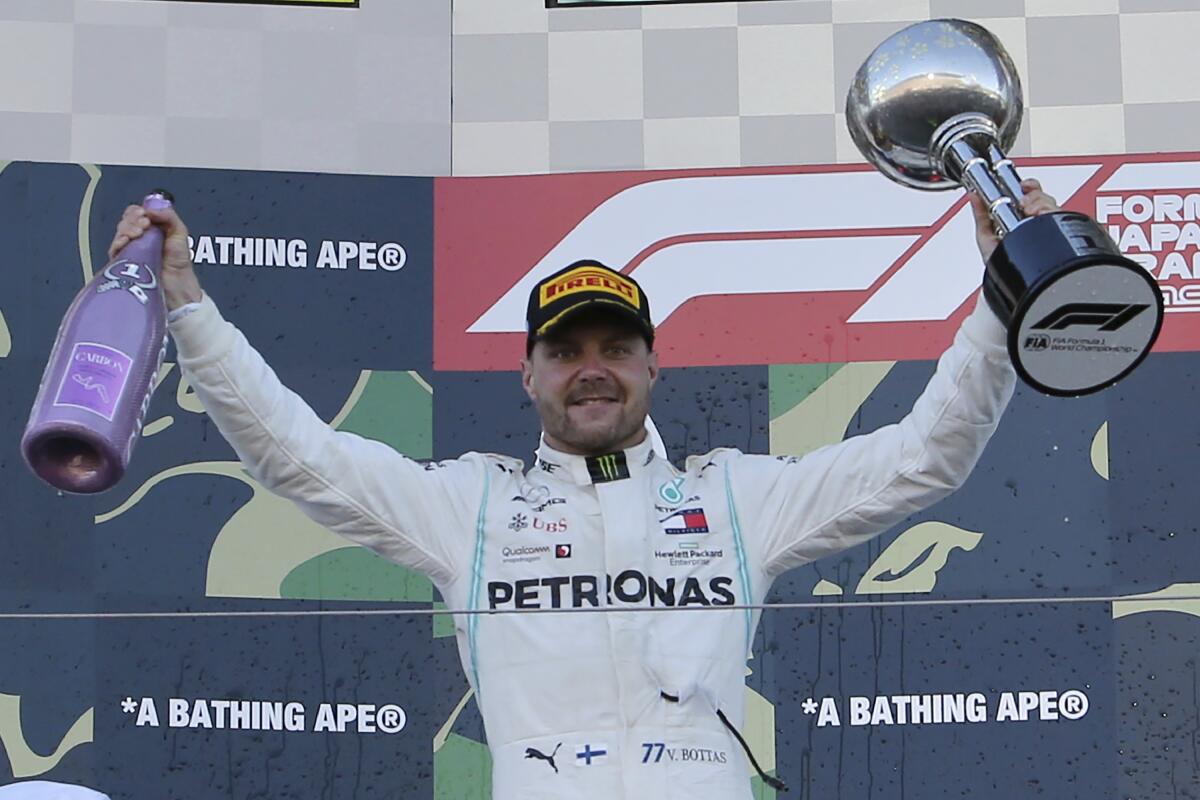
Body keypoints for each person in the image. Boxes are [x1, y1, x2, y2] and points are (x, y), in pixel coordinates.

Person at [110, 180, 1058, 799]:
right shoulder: (469, 509)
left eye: (615, 349)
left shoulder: (737, 500)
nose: (591, 370)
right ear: (528, 376)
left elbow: (923, 456)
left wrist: (1002, 293)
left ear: (653, 368)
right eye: (565, 352)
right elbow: (296, 454)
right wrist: (188, 304)